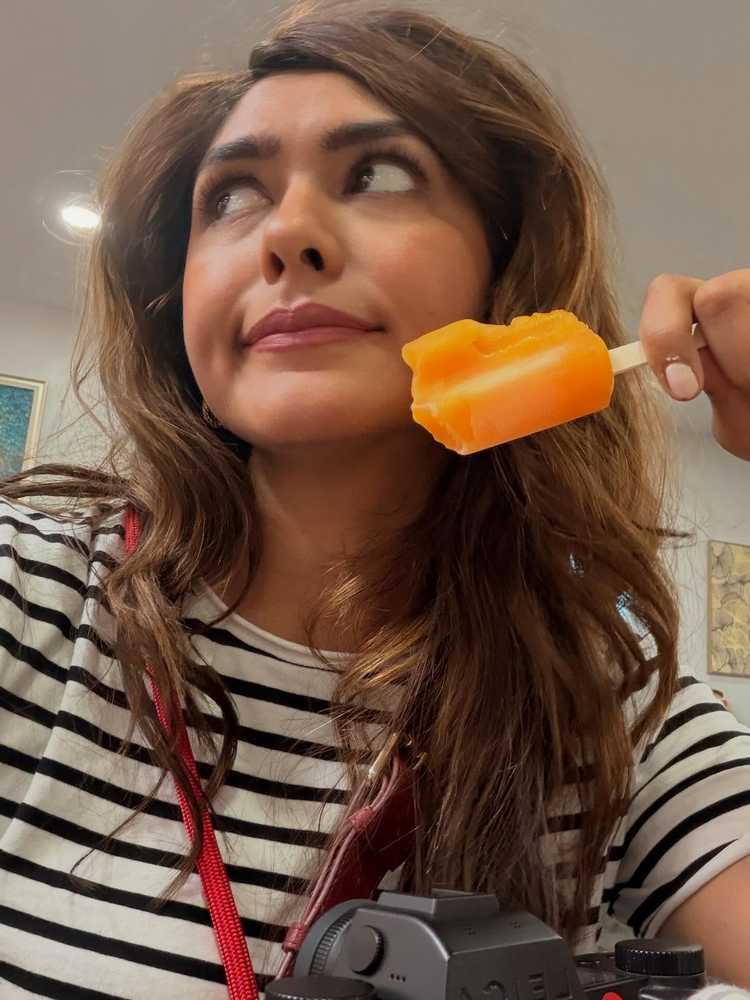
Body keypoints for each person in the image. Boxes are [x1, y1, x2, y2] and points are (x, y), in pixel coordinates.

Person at [1, 1, 749, 995]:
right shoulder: (25, 591)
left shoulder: (614, 708)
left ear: (504, 275)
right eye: (231, 196)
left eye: (379, 174)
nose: (287, 234)